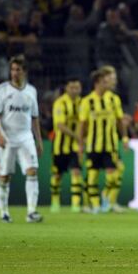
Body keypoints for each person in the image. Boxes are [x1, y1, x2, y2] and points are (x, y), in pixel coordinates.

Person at [0, 54, 43, 223]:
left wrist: (38, 141)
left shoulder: (31, 91)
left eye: (18, 70)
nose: (14, 73)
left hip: (26, 137)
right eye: (12, 69)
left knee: (32, 171)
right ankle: (4, 211)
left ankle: (31, 212)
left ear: (24, 71)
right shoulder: (1, 90)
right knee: (5, 176)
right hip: (7, 138)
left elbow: (34, 118)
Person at [78, 66, 128, 214]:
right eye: (107, 81)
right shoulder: (87, 101)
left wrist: (124, 137)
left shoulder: (114, 99)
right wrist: (80, 144)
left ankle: (106, 197)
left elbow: (120, 121)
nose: (110, 84)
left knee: (113, 174)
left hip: (110, 145)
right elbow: (82, 125)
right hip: (93, 146)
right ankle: (93, 204)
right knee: (92, 175)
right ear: (98, 82)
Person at [50, 77, 83, 213]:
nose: (75, 90)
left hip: (75, 146)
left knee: (76, 172)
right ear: (66, 88)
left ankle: (75, 204)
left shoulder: (83, 103)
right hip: (60, 145)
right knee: (58, 174)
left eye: (77, 87)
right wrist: (78, 136)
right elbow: (60, 125)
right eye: (72, 87)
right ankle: (55, 201)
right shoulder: (60, 103)